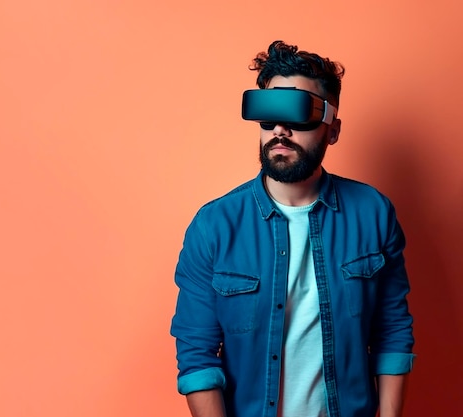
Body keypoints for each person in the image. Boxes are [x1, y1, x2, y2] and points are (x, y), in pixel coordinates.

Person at [170, 40, 415, 417]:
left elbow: (392, 329)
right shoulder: (214, 226)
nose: (280, 129)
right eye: (269, 115)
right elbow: (197, 351)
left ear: (332, 130)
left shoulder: (373, 213)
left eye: (299, 114)